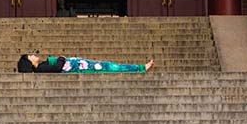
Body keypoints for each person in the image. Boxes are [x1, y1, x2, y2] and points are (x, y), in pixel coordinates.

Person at [16, 53, 153, 73]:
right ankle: (140, 68)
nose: (34, 55)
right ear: (29, 62)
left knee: (107, 65)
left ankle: (139, 68)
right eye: (31, 56)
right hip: (80, 67)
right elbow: (58, 68)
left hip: (81, 64)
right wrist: (61, 58)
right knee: (109, 66)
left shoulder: (42, 66)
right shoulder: (41, 69)